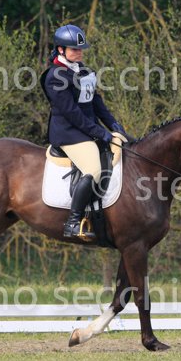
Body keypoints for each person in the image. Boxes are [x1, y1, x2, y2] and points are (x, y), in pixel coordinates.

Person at [40, 24, 129, 240]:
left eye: (81, 49)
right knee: (93, 169)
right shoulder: (55, 77)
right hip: (69, 134)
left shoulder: (83, 71)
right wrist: (100, 133)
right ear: (60, 50)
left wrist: (114, 126)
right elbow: (72, 114)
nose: (79, 53)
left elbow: (96, 103)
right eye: (74, 49)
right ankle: (73, 222)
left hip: (87, 130)